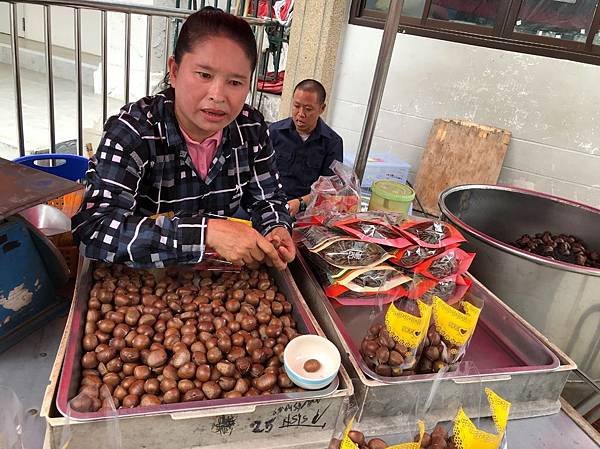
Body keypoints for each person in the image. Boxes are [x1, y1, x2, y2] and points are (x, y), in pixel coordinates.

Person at [72, 7, 294, 270]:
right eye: (204, 75)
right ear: (174, 71)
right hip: (139, 279)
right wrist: (204, 233)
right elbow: (94, 230)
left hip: (217, 281)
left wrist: (277, 227)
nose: (218, 95)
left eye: (235, 82)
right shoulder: (133, 133)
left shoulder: (251, 128)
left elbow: (267, 198)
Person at [269, 79, 343, 217]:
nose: (301, 114)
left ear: (322, 108)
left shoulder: (332, 143)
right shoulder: (273, 132)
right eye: (296, 106)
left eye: (308, 109)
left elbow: (331, 188)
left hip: (308, 211)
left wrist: (301, 203)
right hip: (271, 204)